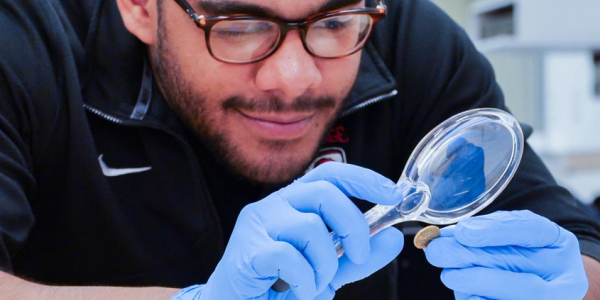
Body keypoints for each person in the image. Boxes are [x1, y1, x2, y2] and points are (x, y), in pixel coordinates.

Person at [0, 0, 599, 299]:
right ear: (139, 6)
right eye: (237, 24)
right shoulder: (26, 46)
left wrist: (567, 286)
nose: (294, 78)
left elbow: (581, 251)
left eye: (333, 22)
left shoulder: (412, 39)